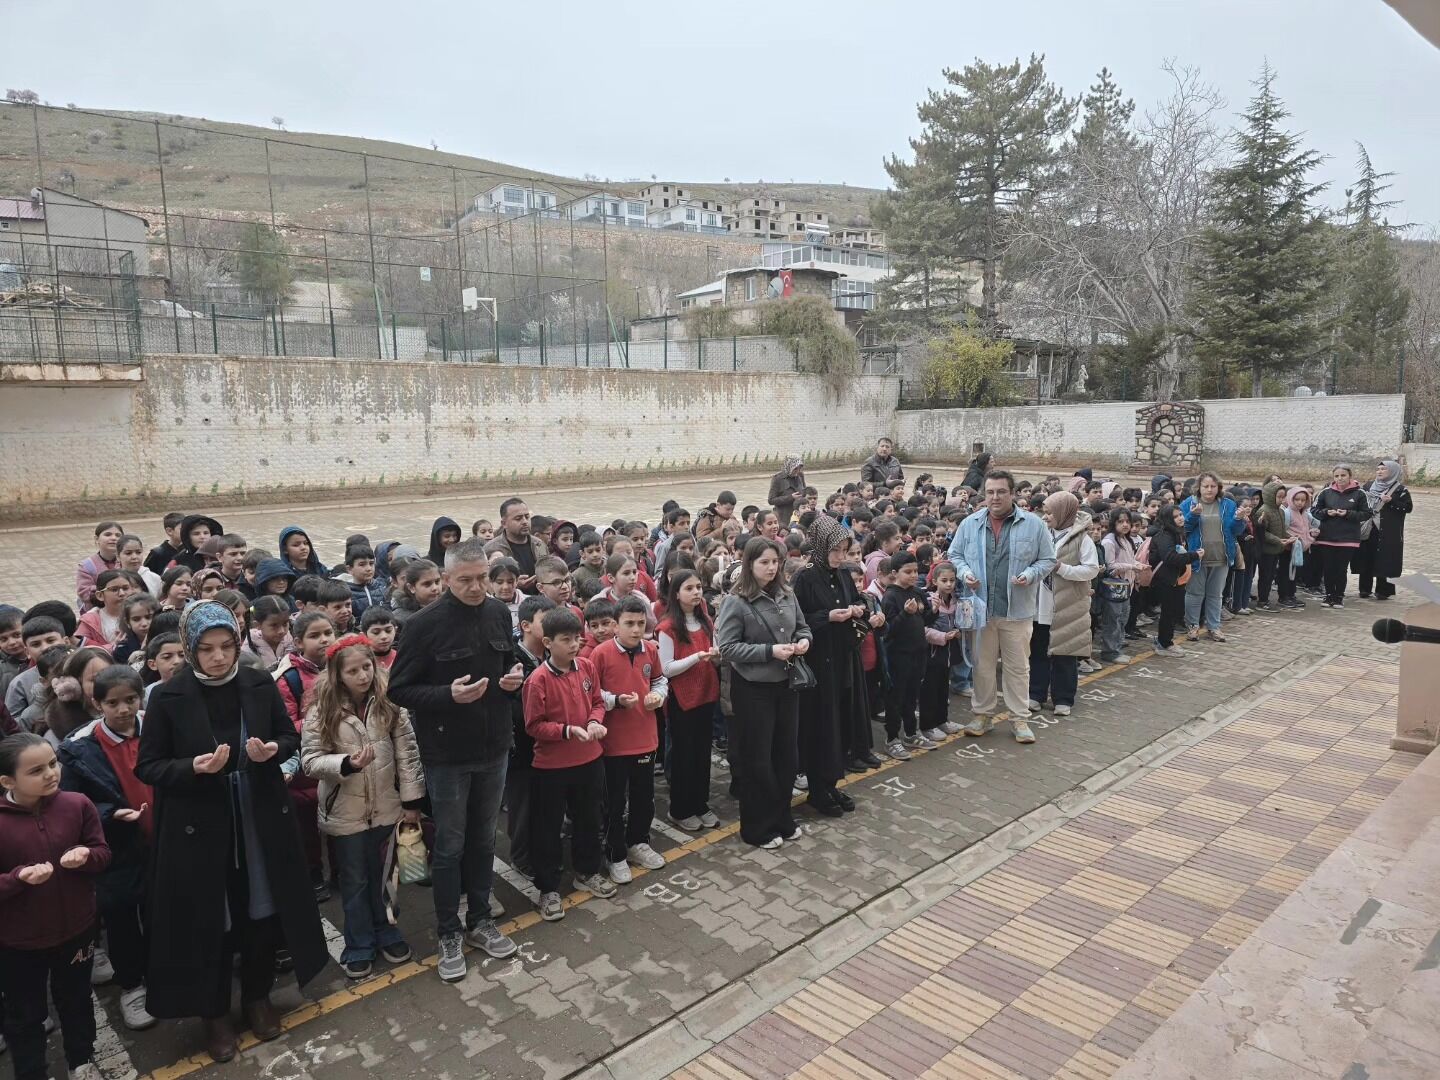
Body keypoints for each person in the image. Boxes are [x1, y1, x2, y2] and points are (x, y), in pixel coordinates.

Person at [135, 601, 327, 1063]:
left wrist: (270, 753)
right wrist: (192, 767)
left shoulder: (257, 680)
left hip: (257, 818)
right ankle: (215, 1014)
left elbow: (288, 736)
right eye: (206, 649)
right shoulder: (167, 695)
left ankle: (258, 998)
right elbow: (150, 766)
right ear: (189, 649)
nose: (219, 657)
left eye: (226, 646)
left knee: (260, 914)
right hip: (200, 827)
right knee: (210, 921)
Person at [387, 539, 525, 982]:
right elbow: (399, 690)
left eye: (483, 577)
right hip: (447, 753)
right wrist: (448, 695)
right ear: (445, 580)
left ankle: (480, 919)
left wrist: (514, 679)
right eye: (465, 580)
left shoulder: (499, 612)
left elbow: (510, 663)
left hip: (494, 745)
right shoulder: (423, 625)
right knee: (450, 845)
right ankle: (448, 930)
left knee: (485, 839)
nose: (477, 587)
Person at [301, 635, 425, 980]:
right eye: (352, 670)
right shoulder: (322, 710)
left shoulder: (390, 703)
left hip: (387, 808)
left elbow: (408, 755)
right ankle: (358, 943)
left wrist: (412, 802)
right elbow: (310, 761)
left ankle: (387, 931)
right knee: (354, 881)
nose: (362, 676)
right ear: (337, 675)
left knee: (384, 878)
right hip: (346, 815)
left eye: (367, 667)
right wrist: (346, 764)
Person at [0, 731, 112, 1080]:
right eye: (36, 771)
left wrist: (87, 855)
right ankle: (31, 1072)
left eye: (52, 764)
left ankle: (82, 1060)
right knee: (25, 1015)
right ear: (7, 780)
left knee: (78, 1001)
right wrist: (18, 878)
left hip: (77, 929)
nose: (50, 773)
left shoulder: (77, 804)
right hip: (18, 943)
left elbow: (103, 853)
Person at [57, 665, 157, 1031]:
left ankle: (162, 976)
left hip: (162, 842)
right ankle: (132, 986)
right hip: (116, 849)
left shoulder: (159, 729)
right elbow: (71, 803)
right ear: (96, 704)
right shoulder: (80, 748)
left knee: (162, 912)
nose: (123, 709)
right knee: (122, 921)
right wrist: (110, 813)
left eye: (130, 700)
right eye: (112, 702)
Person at [714, 538, 813, 849]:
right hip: (753, 688)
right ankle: (757, 826)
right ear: (750, 565)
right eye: (764, 563)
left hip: (786, 684)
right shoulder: (737, 601)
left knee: (786, 755)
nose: (771, 568)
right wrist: (770, 651)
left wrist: (803, 642)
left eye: (775, 562)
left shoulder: (786, 593)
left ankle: (783, 817)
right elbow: (727, 648)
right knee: (758, 759)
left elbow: (803, 627)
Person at [946, 470, 1056, 744]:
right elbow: (955, 554)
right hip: (981, 608)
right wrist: (964, 573)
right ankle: (982, 714)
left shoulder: (1033, 524)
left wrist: (1030, 575)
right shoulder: (970, 523)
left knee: (1018, 667)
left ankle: (1019, 718)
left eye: (1001, 492)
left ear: (1012, 493)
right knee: (982, 666)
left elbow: (1048, 559)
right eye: (990, 492)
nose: (995, 497)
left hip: (1016, 610)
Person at [522, 607, 618, 921]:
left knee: (589, 818)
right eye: (566, 640)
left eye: (577, 638)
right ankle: (548, 888)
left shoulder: (587, 667)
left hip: (589, 760)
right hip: (551, 768)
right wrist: (566, 731)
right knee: (548, 829)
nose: (574, 644)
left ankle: (587, 872)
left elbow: (597, 703)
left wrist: (593, 722)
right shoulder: (537, 680)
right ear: (547, 642)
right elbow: (533, 725)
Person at [791, 514, 871, 815]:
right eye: (835, 551)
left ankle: (830, 783)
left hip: (842, 659)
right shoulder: (805, 576)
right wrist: (827, 617)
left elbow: (856, 597)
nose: (839, 557)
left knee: (837, 724)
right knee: (819, 727)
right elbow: (795, 619)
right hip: (817, 663)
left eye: (844, 551)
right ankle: (817, 789)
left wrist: (859, 608)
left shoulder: (839, 574)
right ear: (822, 547)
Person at [591, 596, 668, 883]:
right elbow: (591, 693)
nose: (636, 630)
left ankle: (639, 843)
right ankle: (615, 854)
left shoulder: (650, 649)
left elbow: (660, 680)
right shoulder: (600, 654)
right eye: (629, 624)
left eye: (640, 623)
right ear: (615, 625)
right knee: (613, 802)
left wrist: (659, 695)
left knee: (643, 798)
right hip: (614, 744)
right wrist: (615, 701)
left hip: (645, 738)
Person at [657, 570, 723, 831]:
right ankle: (680, 808)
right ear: (676, 593)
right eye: (689, 588)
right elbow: (667, 668)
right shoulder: (667, 628)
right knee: (684, 756)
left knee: (701, 754)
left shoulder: (705, 619)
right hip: (682, 700)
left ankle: (700, 803)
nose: (696, 592)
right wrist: (697, 657)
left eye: (698, 587)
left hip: (706, 695)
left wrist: (716, 656)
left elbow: (714, 652)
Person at [1028, 492, 1099, 718]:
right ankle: (1035, 694)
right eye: (1045, 512)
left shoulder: (1082, 539)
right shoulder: (1041, 532)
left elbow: (1091, 569)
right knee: (1037, 651)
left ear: (1063, 513)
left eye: (1050, 513)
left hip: (1067, 606)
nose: (1046, 517)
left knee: (1065, 653)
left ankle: (1063, 698)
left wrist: (1062, 569)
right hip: (1040, 604)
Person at [1179, 473, 1248, 642]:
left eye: (1213, 486)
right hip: (1197, 557)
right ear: (1199, 488)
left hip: (1221, 556)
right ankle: (1193, 626)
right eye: (1206, 486)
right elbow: (1183, 528)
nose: (1209, 490)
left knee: (1215, 595)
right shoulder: (1189, 503)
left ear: (1218, 488)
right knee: (1194, 593)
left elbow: (1235, 530)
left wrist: (1239, 519)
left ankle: (1214, 627)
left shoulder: (1228, 504)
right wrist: (1193, 515)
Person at [1312, 464, 1371, 608]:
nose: (1340, 478)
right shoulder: (1325, 492)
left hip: (1348, 538)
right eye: (1336, 476)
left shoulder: (1360, 493)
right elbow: (1314, 510)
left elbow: (1367, 513)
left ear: (1350, 476)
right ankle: (1328, 596)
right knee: (1328, 568)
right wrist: (1327, 512)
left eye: (1343, 475)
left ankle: (1338, 597)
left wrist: (1348, 514)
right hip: (1327, 537)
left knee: (1341, 569)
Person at [1356, 459, 1412, 601]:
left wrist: (1391, 501)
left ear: (1393, 471)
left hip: (1388, 531)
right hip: (1369, 528)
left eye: (1383, 469)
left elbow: (1408, 508)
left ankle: (1383, 591)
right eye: (1378, 469)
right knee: (1366, 557)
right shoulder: (1368, 486)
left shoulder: (1400, 490)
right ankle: (1364, 589)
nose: (1379, 472)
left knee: (1384, 559)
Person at [1146, 506, 1195, 657]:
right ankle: (1164, 643)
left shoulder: (1178, 533)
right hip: (1165, 580)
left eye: (1181, 514)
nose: (1181, 518)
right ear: (1167, 519)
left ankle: (1166, 640)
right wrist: (1194, 556)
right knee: (1168, 612)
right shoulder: (1164, 536)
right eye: (1176, 516)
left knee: (1173, 611)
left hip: (1177, 580)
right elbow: (1170, 557)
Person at [483, 498, 548, 593]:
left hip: (540, 601)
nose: (525, 521)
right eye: (518, 519)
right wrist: (514, 584)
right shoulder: (491, 549)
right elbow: (485, 584)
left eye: (527, 517)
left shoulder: (539, 544)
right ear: (504, 523)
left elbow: (549, 571)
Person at [76, 522, 125, 613]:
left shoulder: (127, 562)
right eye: (108, 534)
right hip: (96, 614)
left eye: (118, 535)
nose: (114, 538)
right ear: (96, 539)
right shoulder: (86, 566)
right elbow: (84, 592)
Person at [767, 456, 806, 529]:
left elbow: (804, 491)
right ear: (789, 467)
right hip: (784, 518)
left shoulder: (800, 475)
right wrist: (791, 497)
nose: (797, 471)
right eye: (795, 469)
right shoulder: (778, 479)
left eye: (799, 468)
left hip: (799, 516)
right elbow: (771, 500)